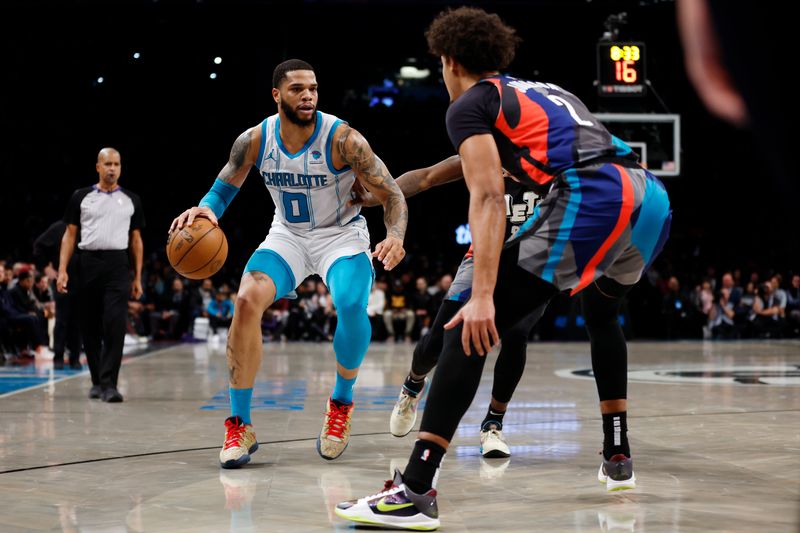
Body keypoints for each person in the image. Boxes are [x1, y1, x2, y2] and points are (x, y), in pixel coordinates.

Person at [336, 8, 671, 530]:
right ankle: (618, 455)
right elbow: (427, 177)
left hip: (596, 196)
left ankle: (416, 490)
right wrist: (376, 194)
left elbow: (489, 196)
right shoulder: (536, 97)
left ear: (449, 61)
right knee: (602, 316)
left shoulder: (470, 104)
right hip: (648, 198)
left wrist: (484, 295)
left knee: (465, 330)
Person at [169, 59, 408, 467]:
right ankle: (239, 425)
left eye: (313, 88)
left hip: (341, 235)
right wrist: (206, 210)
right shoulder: (255, 139)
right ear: (278, 95)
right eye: (297, 89)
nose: (308, 95)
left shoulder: (344, 139)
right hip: (289, 236)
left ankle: (340, 404)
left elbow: (393, 195)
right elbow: (224, 187)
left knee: (351, 303)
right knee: (245, 302)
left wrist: (396, 236)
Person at [353, 156, 545, 458]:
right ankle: (412, 386)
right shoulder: (487, 149)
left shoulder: (553, 153)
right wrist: (377, 194)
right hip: (482, 255)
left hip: (532, 261)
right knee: (438, 342)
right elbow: (427, 175)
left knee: (517, 334)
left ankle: (493, 424)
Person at [57, 147, 145, 403]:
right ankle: (97, 380)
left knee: (115, 324)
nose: (112, 168)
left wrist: (137, 276)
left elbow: (136, 241)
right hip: (87, 264)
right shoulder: (81, 197)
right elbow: (69, 235)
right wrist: (62, 270)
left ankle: (110, 384)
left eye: (116, 164)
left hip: (118, 265)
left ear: (120, 167)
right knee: (90, 326)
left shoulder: (131, 200)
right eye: (107, 164)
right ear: (98, 167)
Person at [34, 221, 82, 369]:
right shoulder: (60, 227)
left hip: (83, 281)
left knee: (78, 321)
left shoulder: (91, 225)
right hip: (63, 280)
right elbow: (38, 245)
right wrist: (45, 268)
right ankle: (59, 357)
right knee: (62, 320)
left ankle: (75, 357)